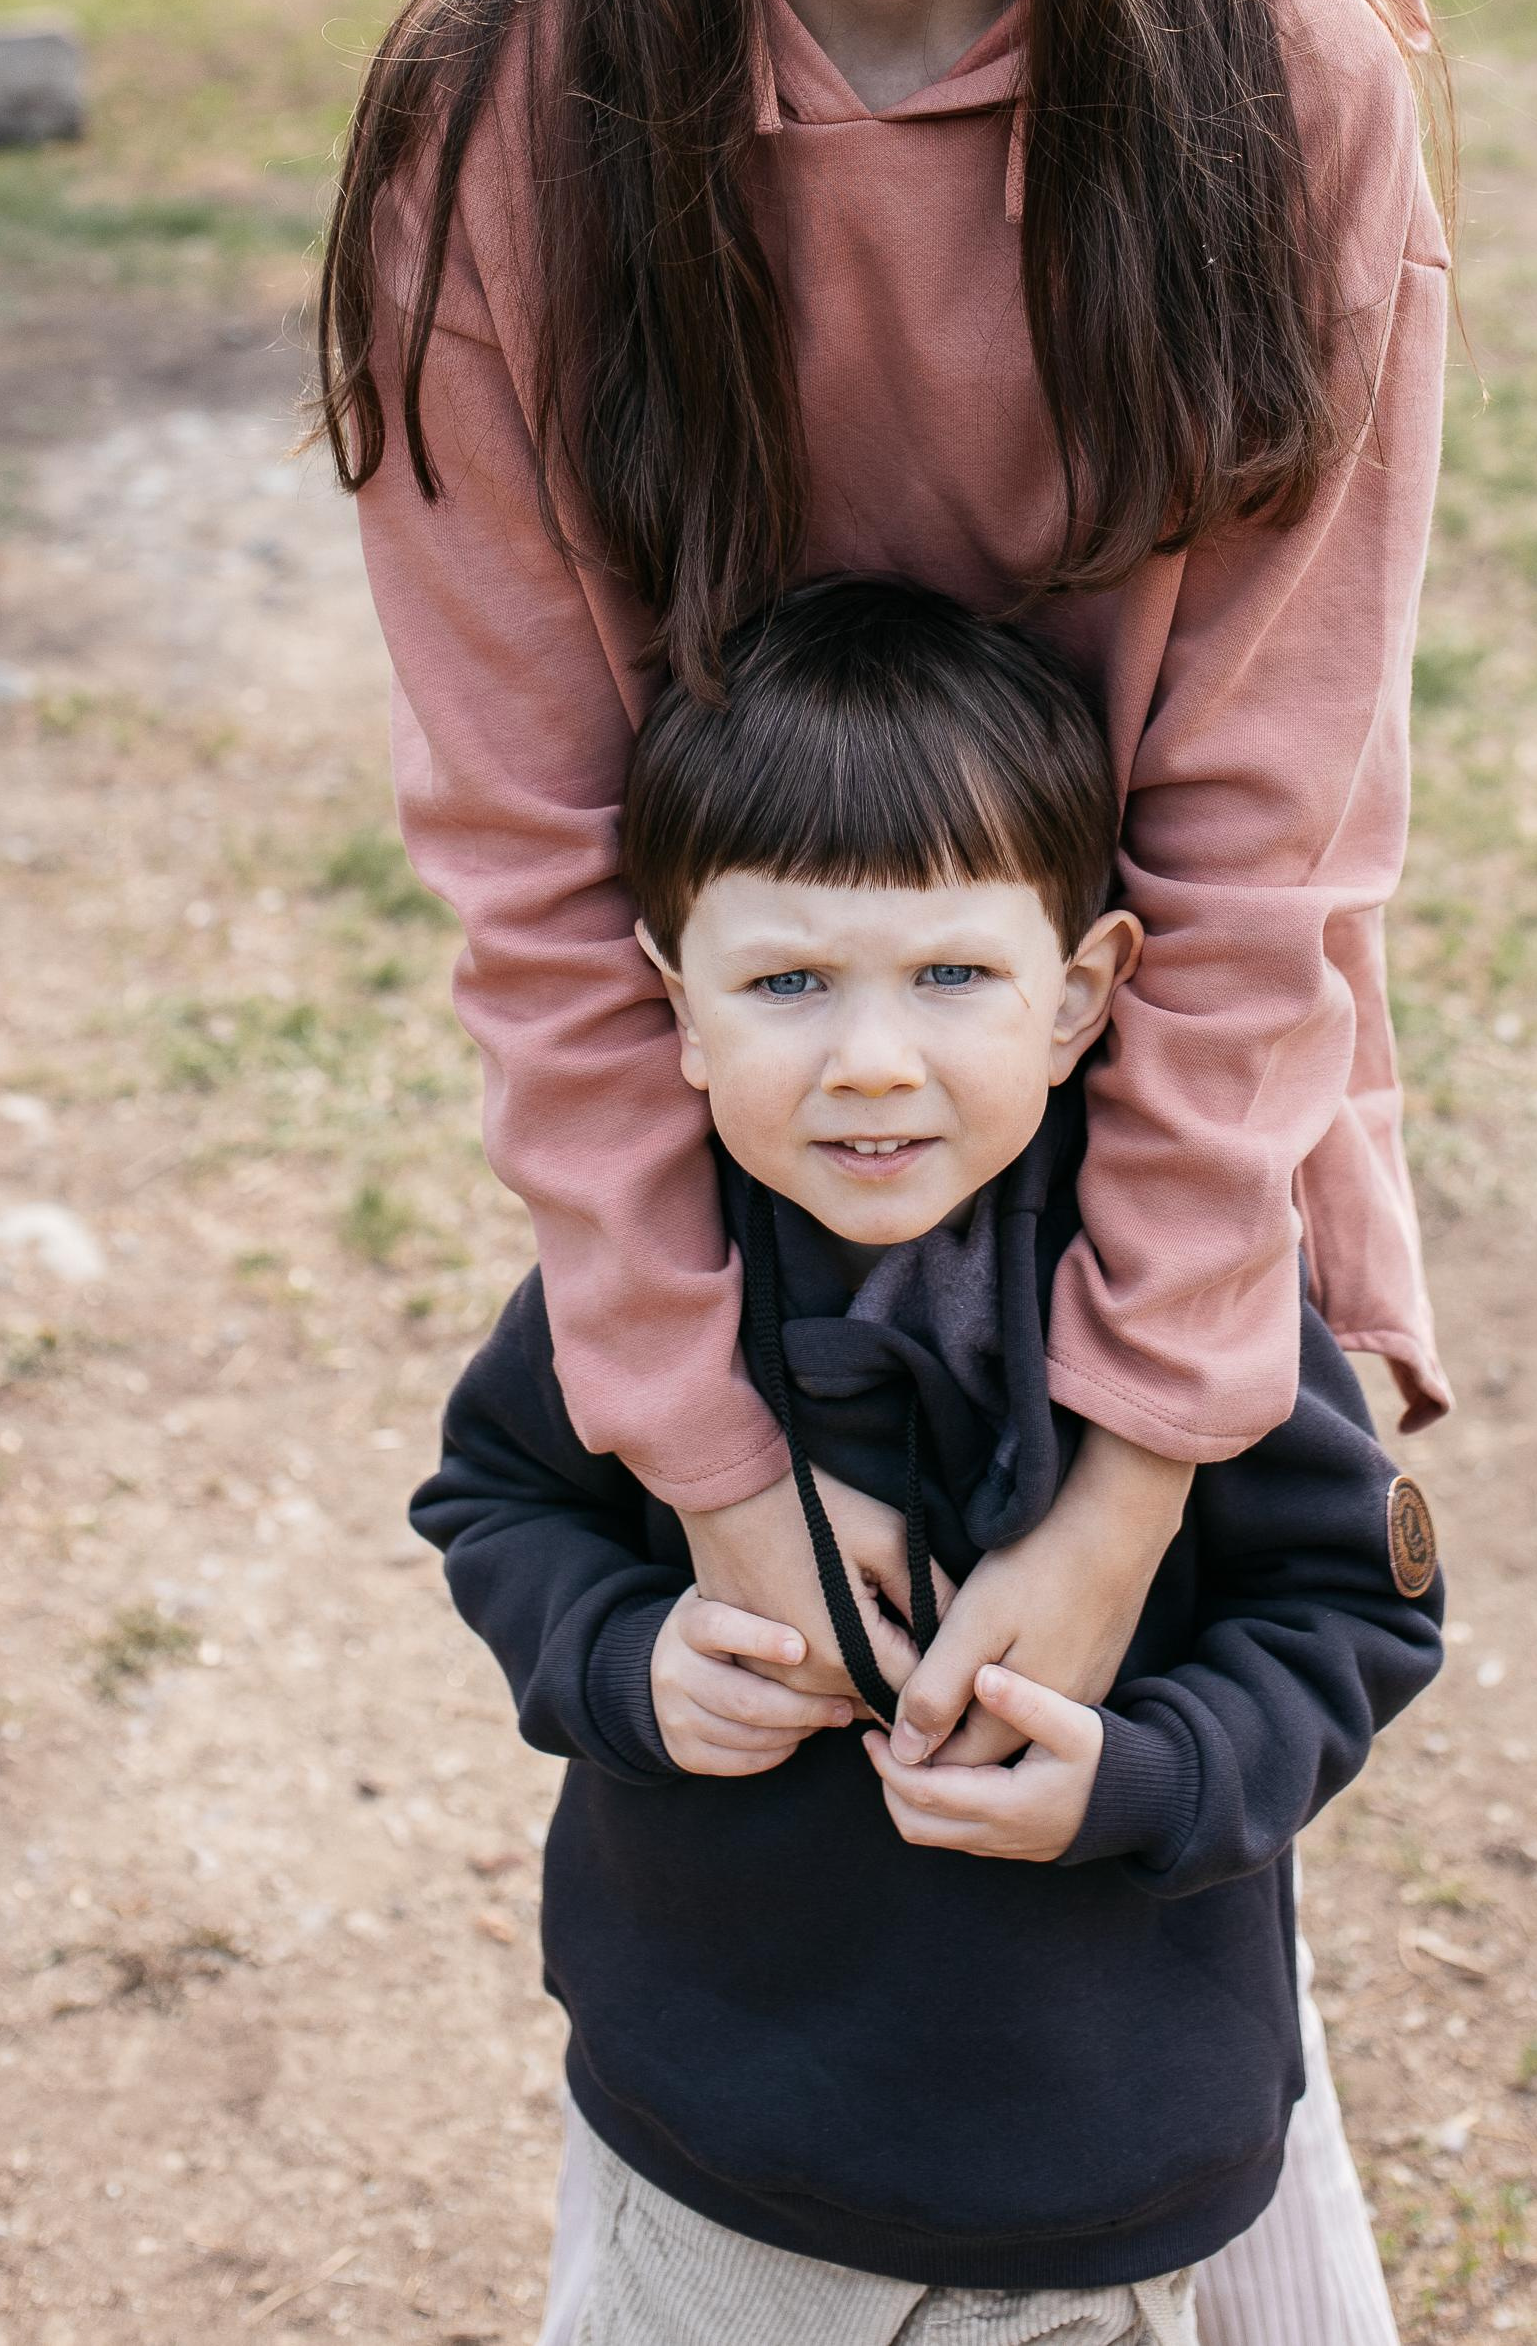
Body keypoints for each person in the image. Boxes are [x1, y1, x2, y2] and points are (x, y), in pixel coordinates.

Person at [323, 0, 1453, 2338]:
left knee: (1131, 1890)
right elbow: (545, 878)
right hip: (783, 1078)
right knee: (790, 1932)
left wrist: (1121, 1492)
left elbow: (1263, 839)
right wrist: (692, 1471)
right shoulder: (494, 133)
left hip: (1148, 1108)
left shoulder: (1283, 66)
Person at [412, 577, 1446, 2345]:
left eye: (955, 975)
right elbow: (496, 1499)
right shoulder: (665, 1277)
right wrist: (625, 1662)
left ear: (1079, 994)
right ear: (674, 1004)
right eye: (789, 980)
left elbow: (1354, 1609)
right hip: (715, 2125)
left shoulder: (1180, 1294)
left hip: (1099, 2144)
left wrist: (1149, 1777)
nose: (871, 1064)